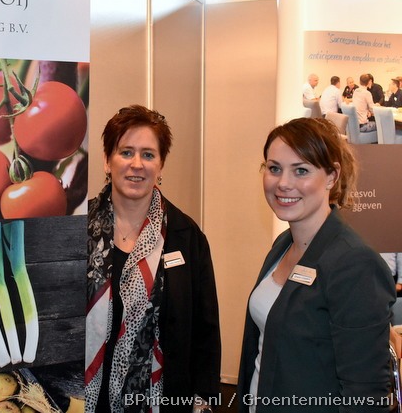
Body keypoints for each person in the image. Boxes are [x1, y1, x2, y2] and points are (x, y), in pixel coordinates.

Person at [237, 117, 395, 413]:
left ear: (332, 176)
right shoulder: (283, 244)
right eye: (274, 168)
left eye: (301, 170)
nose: (283, 183)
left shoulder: (355, 263)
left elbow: (365, 394)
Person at [86, 105, 221, 412]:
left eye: (148, 154)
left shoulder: (187, 236)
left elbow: (206, 330)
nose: (137, 164)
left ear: (161, 165)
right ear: (107, 160)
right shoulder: (76, 229)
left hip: (159, 400)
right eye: (126, 152)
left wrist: (204, 400)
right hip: (82, 399)